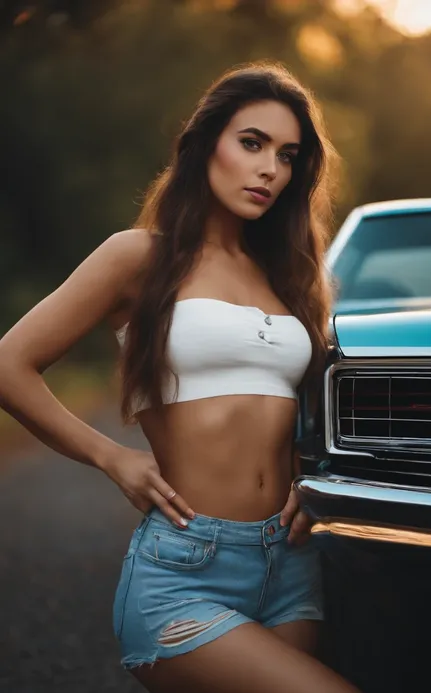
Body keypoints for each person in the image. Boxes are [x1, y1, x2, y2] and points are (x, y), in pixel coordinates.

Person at [0, 62, 360, 693]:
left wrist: (314, 476)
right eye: (251, 143)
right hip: (187, 569)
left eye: (287, 155)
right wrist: (114, 458)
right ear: (203, 144)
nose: (269, 169)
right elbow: (9, 364)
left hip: (291, 563)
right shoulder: (139, 258)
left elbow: (314, 411)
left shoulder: (289, 277)